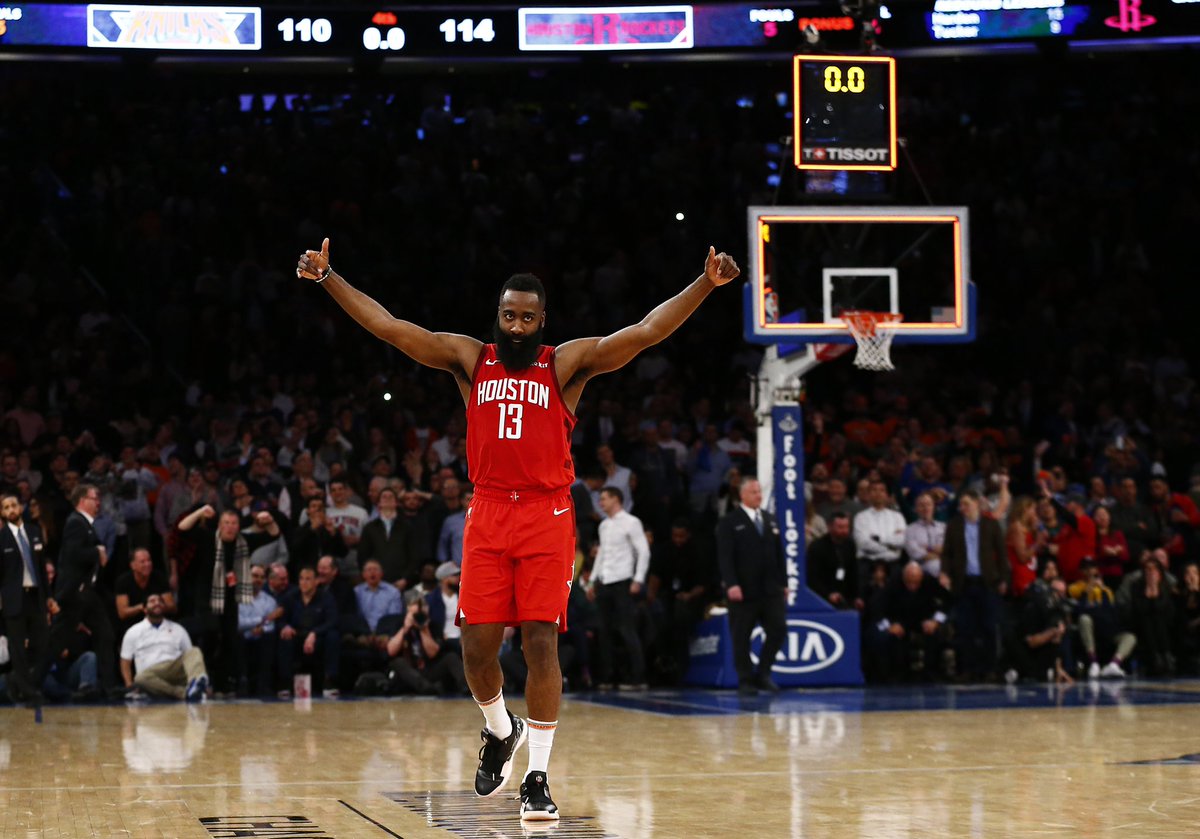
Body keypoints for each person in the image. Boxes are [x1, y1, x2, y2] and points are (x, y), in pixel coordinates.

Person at [297, 237, 739, 820]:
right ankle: (500, 730)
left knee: (539, 641)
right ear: (498, 315)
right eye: (510, 315)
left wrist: (705, 284)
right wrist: (330, 278)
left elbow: (644, 332)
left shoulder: (565, 363)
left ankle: (537, 776)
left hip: (546, 513)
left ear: (542, 321)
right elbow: (389, 327)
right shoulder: (467, 359)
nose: (518, 326)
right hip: (487, 512)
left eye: (529, 318)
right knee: (477, 651)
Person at [37, 483, 117, 696]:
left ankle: (109, 686)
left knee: (105, 634)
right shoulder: (75, 523)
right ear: (82, 501)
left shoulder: (86, 525)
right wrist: (96, 551)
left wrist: (97, 551)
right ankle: (33, 685)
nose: (98, 502)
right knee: (56, 643)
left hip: (87, 593)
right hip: (74, 593)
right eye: (94, 498)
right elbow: (74, 555)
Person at [715, 477, 787, 696]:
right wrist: (732, 584)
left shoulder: (770, 519)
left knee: (778, 629)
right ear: (743, 495)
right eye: (754, 492)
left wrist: (783, 582)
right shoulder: (729, 522)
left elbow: (779, 554)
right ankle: (745, 679)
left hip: (770, 589)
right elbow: (725, 557)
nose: (759, 495)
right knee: (741, 635)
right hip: (743, 590)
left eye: (759, 492)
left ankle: (763, 673)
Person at [587, 486, 650, 690]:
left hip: (623, 581)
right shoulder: (604, 526)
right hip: (605, 582)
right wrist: (592, 581)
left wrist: (638, 579)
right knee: (603, 631)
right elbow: (602, 555)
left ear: (616, 499)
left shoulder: (632, 523)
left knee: (626, 629)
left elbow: (643, 552)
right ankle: (607, 677)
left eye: (604, 498)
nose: (601, 502)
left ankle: (637, 677)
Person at [942, 491, 1007, 680]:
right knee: (965, 628)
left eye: (966, 504)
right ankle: (967, 668)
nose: (963, 508)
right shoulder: (954, 526)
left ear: (977, 503)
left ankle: (990, 668)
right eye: (961, 504)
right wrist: (945, 573)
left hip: (987, 582)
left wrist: (1004, 579)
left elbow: (1001, 555)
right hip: (964, 583)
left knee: (989, 627)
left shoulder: (991, 524)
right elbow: (947, 553)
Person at [0, 492, 51, 704]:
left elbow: (41, 568)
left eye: (13, 505)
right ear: (2, 513)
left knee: (44, 645)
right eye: (6, 507)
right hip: (13, 599)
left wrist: (48, 597)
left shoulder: (34, 531)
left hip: (35, 596)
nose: (11, 510)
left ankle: (24, 683)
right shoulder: (1, 538)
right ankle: (30, 693)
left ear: (21, 507)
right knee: (18, 649)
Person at [119, 593, 209, 701]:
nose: (157, 603)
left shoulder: (178, 629)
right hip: (151, 675)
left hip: (174, 669)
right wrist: (129, 686)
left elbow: (191, 658)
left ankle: (197, 684)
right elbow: (125, 661)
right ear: (144, 609)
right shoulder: (133, 631)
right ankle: (185, 693)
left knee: (194, 651)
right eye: (152, 601)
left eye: (160, 601)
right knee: (140, 679)